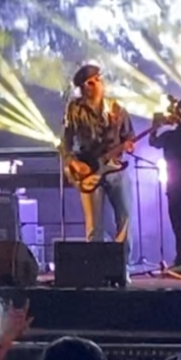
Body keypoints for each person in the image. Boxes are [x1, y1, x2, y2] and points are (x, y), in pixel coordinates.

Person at [61, 63, 135, 257]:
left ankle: (122, 265)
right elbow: (65, 141)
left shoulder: (117, 109)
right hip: (89, 171)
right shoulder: (74, 109)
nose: (96, 85)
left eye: (98, 80)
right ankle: (95, 267)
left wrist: (127, 145)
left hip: (115, 170)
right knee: (94, 225)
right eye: (90, 82)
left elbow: (129, 136)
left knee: (124, 218)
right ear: (83, 87)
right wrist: (73, 162)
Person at [149, 97, 181, 268]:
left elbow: (153, 141)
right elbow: (154, 143)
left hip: (176, 185)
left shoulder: (173, 136)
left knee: (179, 223)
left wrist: (155, 127)